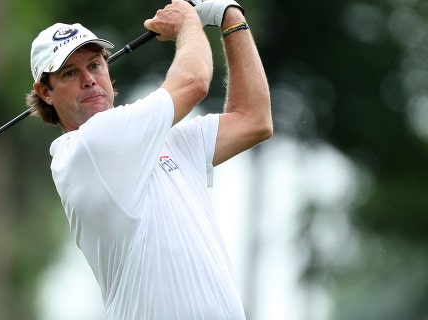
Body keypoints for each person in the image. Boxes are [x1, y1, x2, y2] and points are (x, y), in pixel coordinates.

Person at [26, 0, 272, 318]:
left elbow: (254, 120)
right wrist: (187, 23)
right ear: (45, 92)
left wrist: (231, 18)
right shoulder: (88, 148)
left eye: (95, 65)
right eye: (69, 73)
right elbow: (193, 82)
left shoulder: (161, 140)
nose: (88, 79)